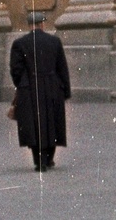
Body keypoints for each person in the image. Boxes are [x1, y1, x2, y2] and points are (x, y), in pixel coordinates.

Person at [9, 10, 71, 171]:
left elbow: (15, 69)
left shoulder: (20, 43)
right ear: (42, 24)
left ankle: (38, 160)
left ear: (30, 25)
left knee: (34, 124)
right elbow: (62, 68)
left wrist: (22, 85)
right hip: (52, 85)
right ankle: (49, 158)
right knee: (52, 122)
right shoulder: (54, 42)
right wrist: (65, 90)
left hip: (29, 87)